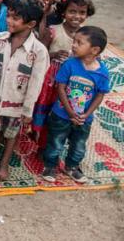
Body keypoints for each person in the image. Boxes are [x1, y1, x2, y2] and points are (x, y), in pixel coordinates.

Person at [0, 0, 49, 180]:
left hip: (17, 102)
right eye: (9, 16)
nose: (9, 21)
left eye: (15, 19)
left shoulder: (38, 52)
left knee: (11, 134)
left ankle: (4, 163)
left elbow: (36, 83)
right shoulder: (0, 40)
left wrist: (28, 110)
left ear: (30, 24)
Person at [42, 26, 110, 184]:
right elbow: (60, 87)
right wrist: (69, 111)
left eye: (79, 43)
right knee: (55, 141)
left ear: (94, 50)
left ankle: (72, 166)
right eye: (74, 41)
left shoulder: (102, 73)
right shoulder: (70, 64)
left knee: (79, 144)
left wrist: (86, 115)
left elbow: (100, 94)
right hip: (61, 114)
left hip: (83, 119)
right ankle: (50, 165)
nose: (73, 45)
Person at [32, 0, 95, 148]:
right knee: (48, 109)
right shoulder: (53, 31)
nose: (77, 16)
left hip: (73, 82)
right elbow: (41, 53)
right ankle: (42, 142)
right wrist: (53, 55)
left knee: (67, 110)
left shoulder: (88, 36)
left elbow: (93, 56)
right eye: (72, 11)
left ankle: (59, 140)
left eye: (82, 12)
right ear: (63, 12)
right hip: (52, 80)